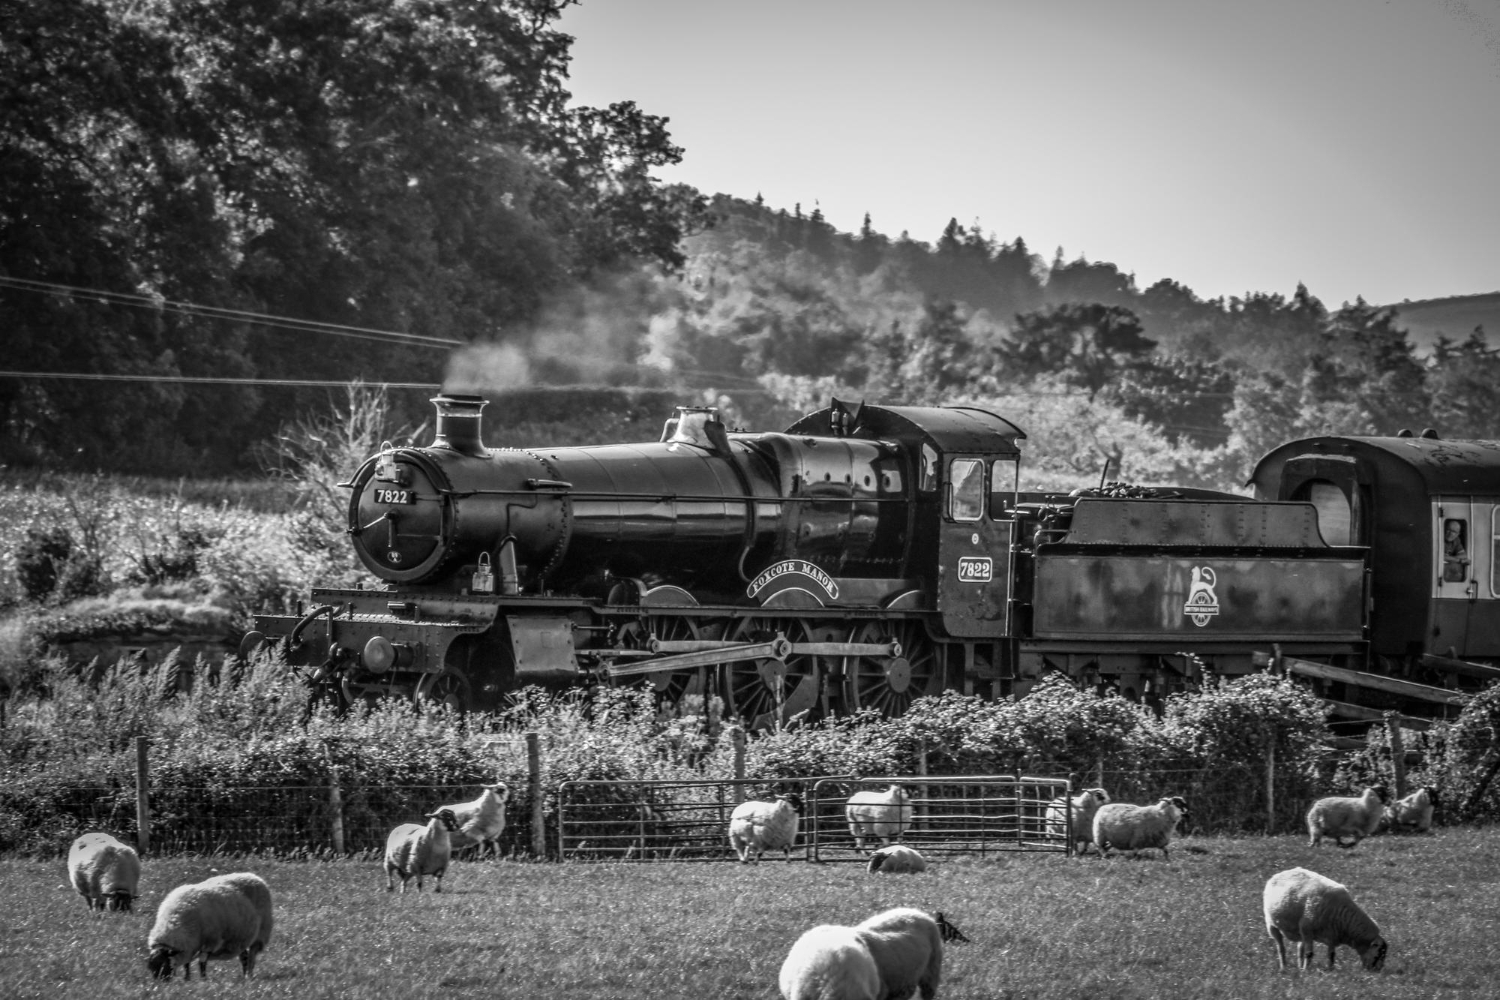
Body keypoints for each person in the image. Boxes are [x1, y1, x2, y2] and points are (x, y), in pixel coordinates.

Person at [1443, 519, 1469, 583]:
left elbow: (1463, 555)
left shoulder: (1456, 540)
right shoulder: (1439, 537)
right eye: (1448, 530)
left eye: (1454, 532)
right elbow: (1438, 556)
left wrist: (1449, 558)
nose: (1450, 534)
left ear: (1458, 534)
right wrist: (1458, 560)